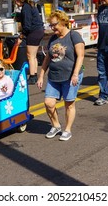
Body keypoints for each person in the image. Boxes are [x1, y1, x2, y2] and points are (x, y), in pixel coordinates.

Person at [36, 10, 84, 141]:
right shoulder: (53, 38)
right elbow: (47, 58)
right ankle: (56, 126)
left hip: (70, 76)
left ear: (63, 22)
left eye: (54, 25)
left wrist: (75, 74)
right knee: (49, 103)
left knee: (69, 104)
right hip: (54, 76)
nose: (52, 28)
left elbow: (80, 56)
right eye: (50, 25)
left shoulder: (74, 36)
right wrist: (41, 75)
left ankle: (67, 130)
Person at [13, 0, 44, 84]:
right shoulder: (30, 5)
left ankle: (33, 76)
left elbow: (27, 25)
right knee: (33, 56)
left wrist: (21, 36)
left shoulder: (25, 8)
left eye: (15, 1)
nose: (15, 3)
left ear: (17, 0)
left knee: (30, 55)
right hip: (38, 31)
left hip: (33, 32)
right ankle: (33, 74)